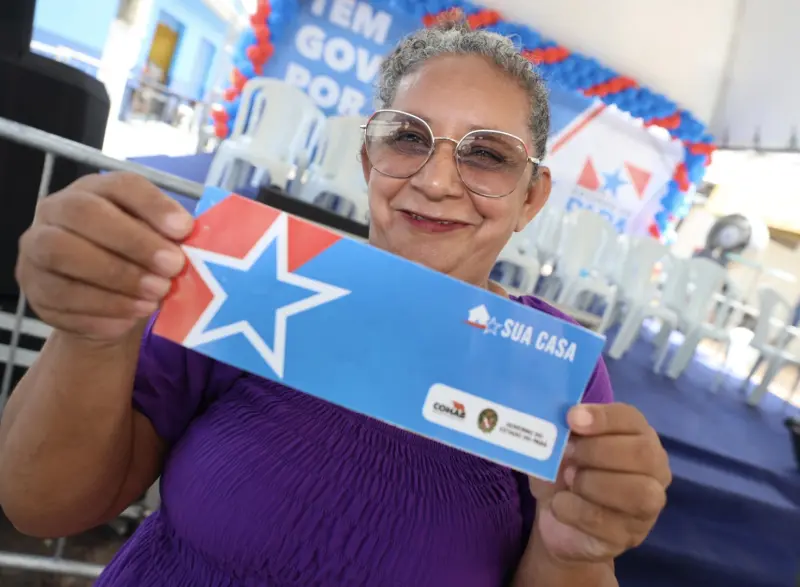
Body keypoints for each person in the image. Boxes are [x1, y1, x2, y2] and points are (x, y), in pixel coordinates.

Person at [0, 21, 670, 586]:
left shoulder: (550, 370)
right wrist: (93, 335)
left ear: (531, 198)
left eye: (487, 155)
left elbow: (568, 553)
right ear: (369, 160)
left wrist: (575, 549)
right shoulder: (254, 274)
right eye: (408, 137)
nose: (437, 180)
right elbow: (43, 505)